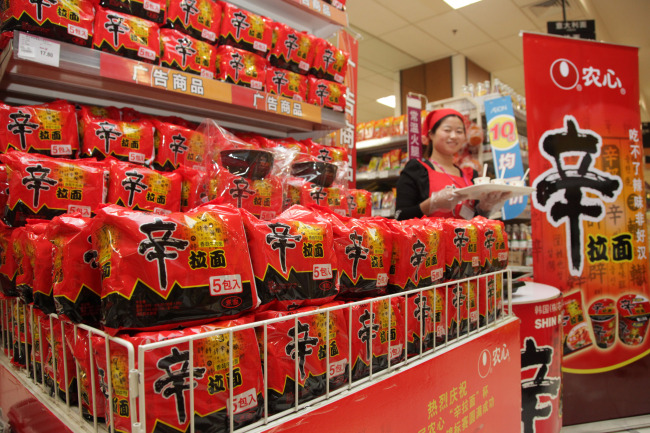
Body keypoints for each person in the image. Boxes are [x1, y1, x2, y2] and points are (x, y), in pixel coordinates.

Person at [395, 108, 508, 221]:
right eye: (447, 130)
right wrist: (432, 203)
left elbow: (475, 221)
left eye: (459, 131)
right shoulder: (417, 169)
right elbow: (400, 216)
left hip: (464, 238)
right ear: (431, 134)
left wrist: (485, 208)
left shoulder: (469, 175)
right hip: (430, 238)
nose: (453, 136)